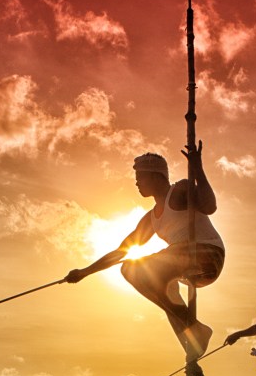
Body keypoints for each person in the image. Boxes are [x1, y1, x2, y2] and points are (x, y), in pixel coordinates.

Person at [66, 142, 224, 360]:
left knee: (149, 266)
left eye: (140, 177)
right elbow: (123, 251)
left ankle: (193, 325)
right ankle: (193, 335)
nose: (137, 182)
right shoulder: (151, 219)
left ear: (155, 176)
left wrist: (197, 168)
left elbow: (209, 207)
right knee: (133, 272)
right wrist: (84, 272)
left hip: (208, 256)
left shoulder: (179, 190)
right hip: (185, 265)